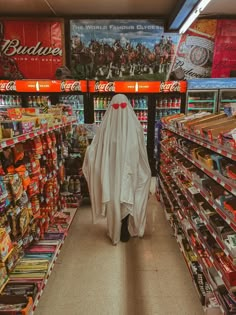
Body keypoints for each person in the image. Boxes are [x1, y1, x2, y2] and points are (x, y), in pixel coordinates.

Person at [82, 94, 151, 245]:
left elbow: (141, 152)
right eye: (116, 107)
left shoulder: (109, 129)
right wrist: (90, 152)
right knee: (116, 202)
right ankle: (117, 231)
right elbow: (96, 149)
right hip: (116, 174)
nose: (119, 110)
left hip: (124, 174)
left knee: (123, 199)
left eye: (122, 106)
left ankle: (121, 229)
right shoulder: (127, 128)